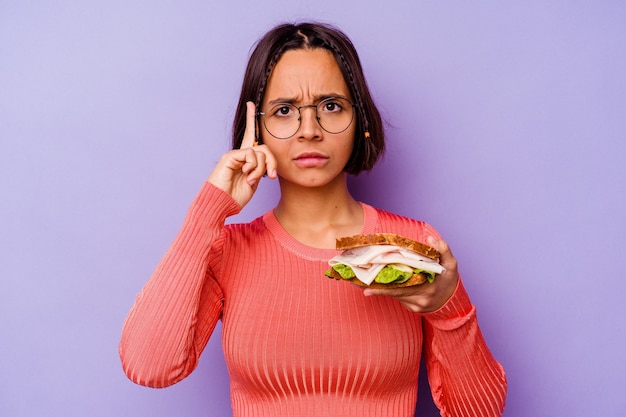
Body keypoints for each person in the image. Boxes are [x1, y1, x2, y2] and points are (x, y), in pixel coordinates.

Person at [119, 22, 507, 417]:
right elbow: (149, 366)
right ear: (256, 131)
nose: (309, 130)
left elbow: (479, 411)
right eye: (285, 111)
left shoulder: (412, 247)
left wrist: (448, 307)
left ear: (362, 122)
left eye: (331, 106)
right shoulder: (228, 252)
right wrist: (208, 211)